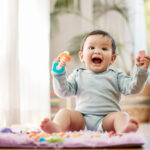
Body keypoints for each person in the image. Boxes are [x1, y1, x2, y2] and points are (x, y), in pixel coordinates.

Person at [41, 30, 150, 134]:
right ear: (82, 56)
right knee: (64, 112)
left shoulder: (116, 75)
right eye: (91, 47)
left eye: (104, 48)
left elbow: (133, 88)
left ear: (112, 59)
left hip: (107, 119)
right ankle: (58, 127)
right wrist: (58, 73)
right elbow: (63, 92)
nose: (97, 51)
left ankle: (123, 130)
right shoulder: (78, 74)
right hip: (81, 119)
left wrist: (141, 71)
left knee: (122, 116)